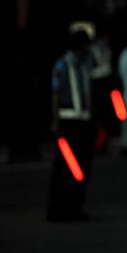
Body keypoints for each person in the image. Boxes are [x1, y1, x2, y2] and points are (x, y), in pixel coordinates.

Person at [47, 24, 97, 222]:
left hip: (84, 120)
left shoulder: (87, 64)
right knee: (65, 165)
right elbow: (56, 94)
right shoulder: (63, 65)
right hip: (69, 121)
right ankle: (60, 208)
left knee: (83, 165)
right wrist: (56, 121)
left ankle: (76, 206)